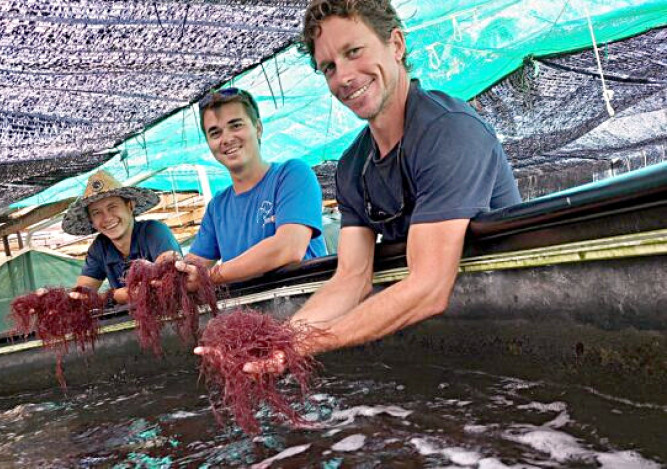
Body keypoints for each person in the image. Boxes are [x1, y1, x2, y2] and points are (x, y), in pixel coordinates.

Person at [201, 0, 522, 372]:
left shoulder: (448, 132)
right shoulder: (353, 166)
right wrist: (280, 342)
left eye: (354, 51)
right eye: (329, 67)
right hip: (444, 349)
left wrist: (306, 345)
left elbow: (429, 286)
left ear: (396, 44)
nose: (344, 77)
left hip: (514, 327)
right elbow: (351, 279)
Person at [167, 87, 328, 287]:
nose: (226, 139)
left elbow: (288, 248)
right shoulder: (217, 207)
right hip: (248, 305)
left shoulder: (292, 175)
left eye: (236, 126)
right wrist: (172, 269)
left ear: (258, 128)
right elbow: (195, 265)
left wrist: (211, 276)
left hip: (305, 297)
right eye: (215, 133)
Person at [60, 169, 181, 304]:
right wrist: (57, 299)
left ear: (130, 206)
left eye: (112, 207)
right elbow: (81, 294)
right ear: (91, 221)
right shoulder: (99, 248)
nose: (107, 218)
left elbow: (167, 278)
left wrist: (112, 296)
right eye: (97, 213)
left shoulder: (154, 231)